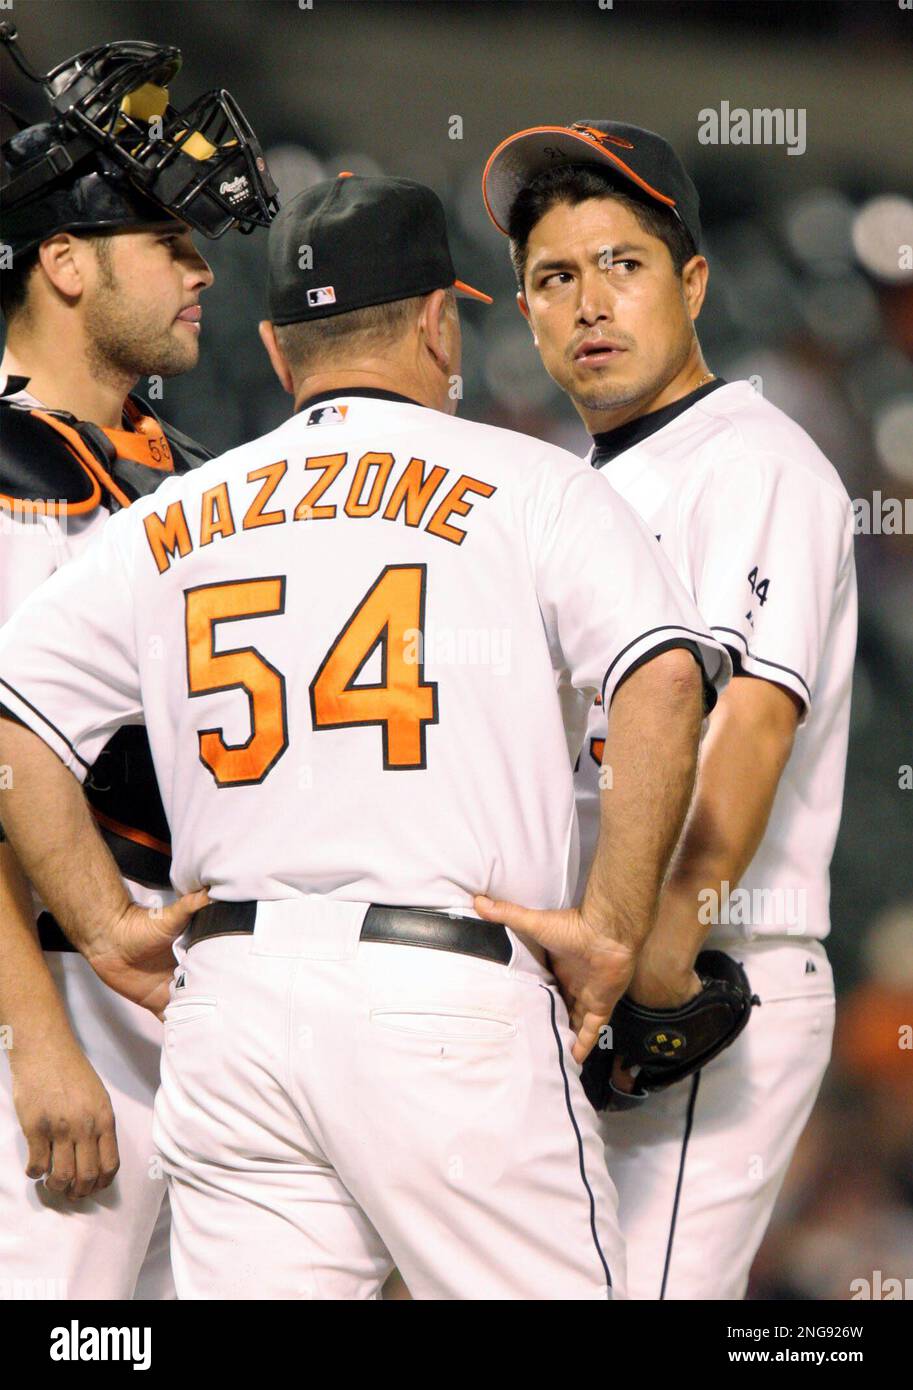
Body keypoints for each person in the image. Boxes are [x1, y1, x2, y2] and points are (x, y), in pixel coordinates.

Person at [0, 170, 730, 1300]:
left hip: (229, 1009)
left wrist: (102, 925)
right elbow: (664, 679)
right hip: (445, 993)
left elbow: (11, 712)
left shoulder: (174, 517)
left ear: (278, 349)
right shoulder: (532, 484)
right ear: (441, 321)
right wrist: (611, 926)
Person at [481, 118, 857, 1299]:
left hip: (705, 975)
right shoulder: (577, 484)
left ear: (691, 282)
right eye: (555, 276)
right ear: (527, 313)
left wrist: (653, 974)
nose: (589, 300)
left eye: (623, 264)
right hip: (598, 984)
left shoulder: (748, 458)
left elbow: (747, 726)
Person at [0, 29, 276, 1299]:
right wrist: (36, 1040)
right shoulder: (13, 471)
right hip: (56, 982)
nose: (198, 269)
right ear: (62, 261)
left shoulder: (201, 468)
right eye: (166, 240)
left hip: (201, 998)